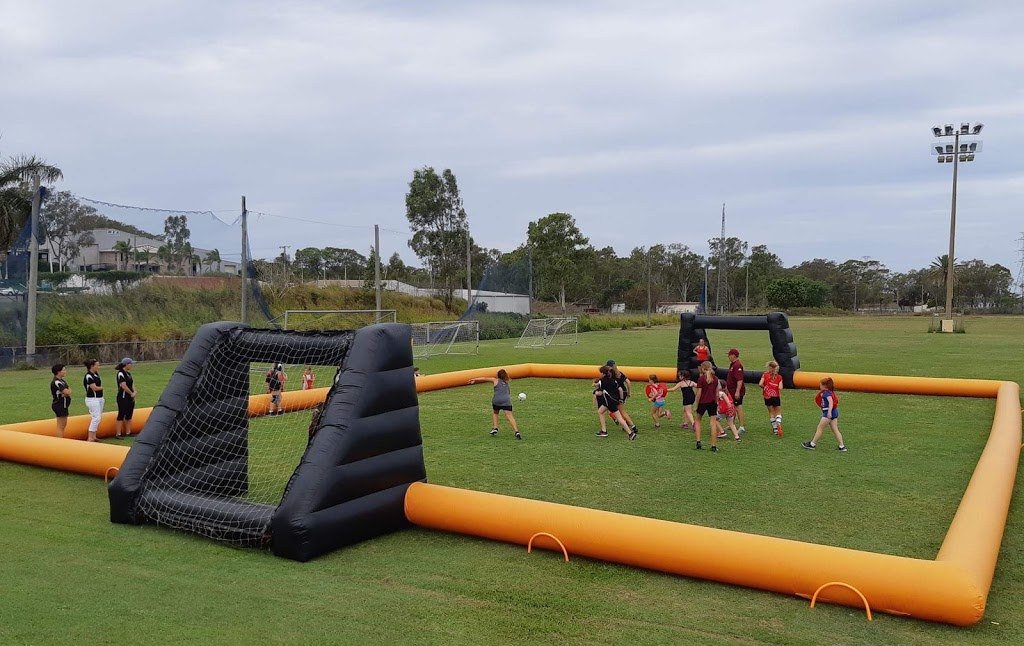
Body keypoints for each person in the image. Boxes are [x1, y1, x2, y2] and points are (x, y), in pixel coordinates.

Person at [468, 369, 522, 439]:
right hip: (506, 401)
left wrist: (474, 379)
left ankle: (495, 428)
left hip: (496, 400)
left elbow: (484, 378)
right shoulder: (507, 383)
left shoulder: (495, 380)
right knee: (509, 416)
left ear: (498, 375)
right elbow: (508, 393)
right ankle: (516, 431)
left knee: (495, 413)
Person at [803, 377, 847, 452]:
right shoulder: (831, 392)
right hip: (834, 412)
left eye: (821, 385)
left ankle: (812, 444)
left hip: (828, 413)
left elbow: (830, 402)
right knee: (835, 429)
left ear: (825, 386)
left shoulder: (826, 394)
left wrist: (829, 412)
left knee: (820, 428)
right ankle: (841, 446)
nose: (820, 387)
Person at [594, 365, 635, 440]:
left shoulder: (602, 381)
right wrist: (621, 399)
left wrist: (596, 393)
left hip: (609, 402)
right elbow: (620, 389)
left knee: (619, 418)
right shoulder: (613, 380)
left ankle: (630, 433)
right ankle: (603, 431)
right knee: (600, 411)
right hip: (614, 400)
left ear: (603, 373)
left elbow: (600, 393)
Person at [693, 361, 720, 452]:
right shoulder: (715, 379)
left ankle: (698, 441)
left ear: (703, 368)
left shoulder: (701, 379)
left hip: (703, 402)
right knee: (713, 423)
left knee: (698, 420)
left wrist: (696, 405)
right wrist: (716, 403)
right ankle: (713, 445)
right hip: (712, 402)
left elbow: (699, 393)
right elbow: (716, 393)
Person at [606, 361, 638, 434]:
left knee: (621, 411)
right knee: (618, 410)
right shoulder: (619, 373)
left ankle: (632, 426)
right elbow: (628, 382)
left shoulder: (611, 374)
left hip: (618, 393)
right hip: (624, 392)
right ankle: (625, 423)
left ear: (610, 366)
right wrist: (629, 392)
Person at [758, 361, 784, 436]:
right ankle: (778, 422)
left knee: (771, 412)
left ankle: (775, 429)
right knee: (778, 412)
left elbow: (760, 384)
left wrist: (764, 388)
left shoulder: (765, 375)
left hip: (767, 396)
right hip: (776, 396)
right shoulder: (779, 377)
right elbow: (780, 387)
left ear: (769, 367)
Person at [114, 357, 137, 438]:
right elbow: (123, 386)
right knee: (121, 414)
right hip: (123, 397)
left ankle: (128, 432)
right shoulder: (120, 373)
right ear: (126, 364)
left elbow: (132, 384)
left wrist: (134, 392)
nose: (131, 365)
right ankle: (118, 433)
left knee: (129, 414)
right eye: (130, 364)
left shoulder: (129, 374)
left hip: (130, 397)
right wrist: (131, 393)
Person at [725, 348, 746, 435]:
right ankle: (731, 424)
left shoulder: (737, 366)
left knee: (738, 407)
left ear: (733, 355)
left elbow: (740, 379)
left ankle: (741, 426)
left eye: (729, 355)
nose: (728, 357)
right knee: (733, 407)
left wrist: (737, 391)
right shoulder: (732, 364)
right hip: (731, 390)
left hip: (736, 391)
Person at [82, 359, 104, 442]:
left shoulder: (96, 374)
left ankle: (94, 436)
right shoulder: (88, 376)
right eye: (97, 365)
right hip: (92, 399)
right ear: (92, 366)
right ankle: (90, 437)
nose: (98, 367)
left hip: (99, 398)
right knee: (96, 417)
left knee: (98, 417)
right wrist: (101, 388)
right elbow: (94, 387)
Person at [50, 364, 72, 439]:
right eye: (63, 370)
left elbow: (69, 390)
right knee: (61, 426)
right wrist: (66, 392)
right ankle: (59, 441)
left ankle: (60, 440)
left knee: (63, 425)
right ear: (58, 372)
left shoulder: (61, 381)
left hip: (63, 405)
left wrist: (66, 392)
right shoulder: (57, 382)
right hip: (59, 405)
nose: (65, 371)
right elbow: (67, 392)